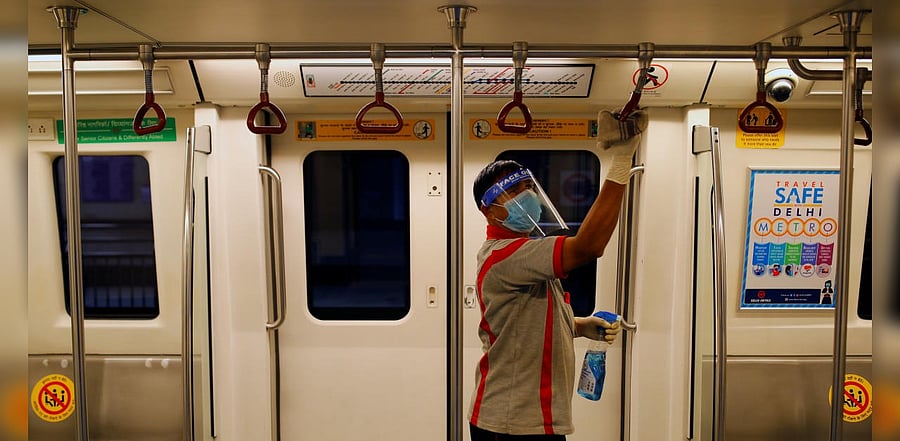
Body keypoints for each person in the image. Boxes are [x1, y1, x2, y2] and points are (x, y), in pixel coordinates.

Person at [468, 109, 648, 440]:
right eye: (516, 191)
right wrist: (621, 162)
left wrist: (578, 325)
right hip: (511, 422)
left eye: (529, 187)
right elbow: (589, 246)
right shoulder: (505, 256)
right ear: (491, 210)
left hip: (532, 418)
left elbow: (525, 325)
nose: (529, 197)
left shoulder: (525, 252)